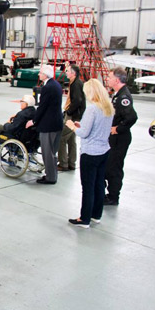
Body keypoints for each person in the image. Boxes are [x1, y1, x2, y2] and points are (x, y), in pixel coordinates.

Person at [64, 79, 113, 228]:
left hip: (90, 153)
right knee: (99, 184)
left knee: (88, 186)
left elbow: (84, 133)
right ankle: (96, 215)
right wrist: (82, 125)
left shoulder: (92, 109)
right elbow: (97, 127)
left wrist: (72, 126)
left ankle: (84, 218)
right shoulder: (108, 108)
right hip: (104, 150)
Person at [104, 67, 139, 205]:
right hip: (115, 138)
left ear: (117, 80)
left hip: (120, 138)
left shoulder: (123, 97)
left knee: (115, 167)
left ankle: (113, 197)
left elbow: (132, 117)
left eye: (109, 77)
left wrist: (118, 128)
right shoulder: (118, 94)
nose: (107, 79)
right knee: (110, 165)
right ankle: (111, 194)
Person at [26, 65, 63, 184]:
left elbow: (42, 107)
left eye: (40, 73)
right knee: (53, 152)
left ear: (46, 75)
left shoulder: (47, 87)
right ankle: (53, 174)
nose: (38, 74)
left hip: (48, 125)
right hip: (57, 123)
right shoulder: (56, 85)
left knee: (47, 152)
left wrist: (34, 121)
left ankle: (50, 177)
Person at [58, 64, 85, 171]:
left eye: (68, 71)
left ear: (73, 73)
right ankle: (71, 163)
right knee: (71, 139)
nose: (66, 73)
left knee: (61, 138)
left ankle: (63, 163)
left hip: (73, 116)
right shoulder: (74, 83)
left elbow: (77, 100)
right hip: (76, 115)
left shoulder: (76, 84)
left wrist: (69, 111)